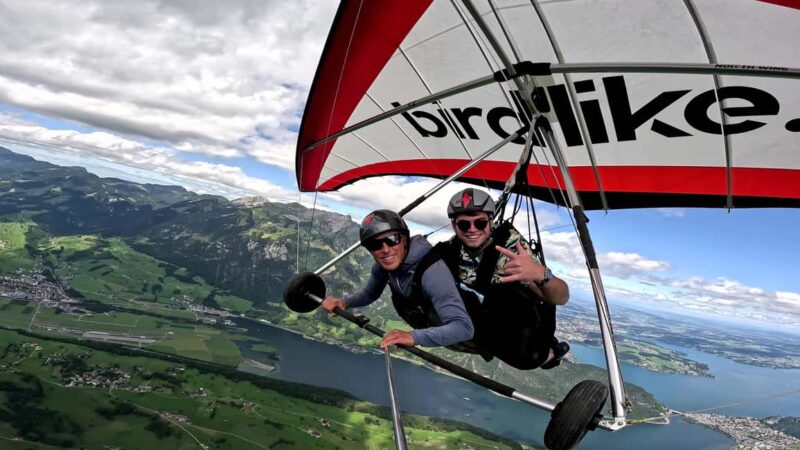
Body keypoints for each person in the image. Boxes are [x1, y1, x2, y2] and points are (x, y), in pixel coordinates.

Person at [433, 188, 571, 370]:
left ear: (491, 221)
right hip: (489, 306)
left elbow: (561, 297)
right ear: (454, 226)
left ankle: (552, 353)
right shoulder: (452, 249)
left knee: (529, 358)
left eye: (480, 223)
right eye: (464, 224)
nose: (472, 229)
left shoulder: (512, 252)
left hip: (525, 314)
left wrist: (540, 274)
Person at [321, 209, 474, 350]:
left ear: (404, 239)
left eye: (392, 239)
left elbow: (463, 327)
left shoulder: (432, 272)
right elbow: (370, 293)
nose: (385, 249)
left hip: (469, 338)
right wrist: (344, 302)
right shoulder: (383, 267)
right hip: (438, 333)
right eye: (375, 244)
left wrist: (413, 337)